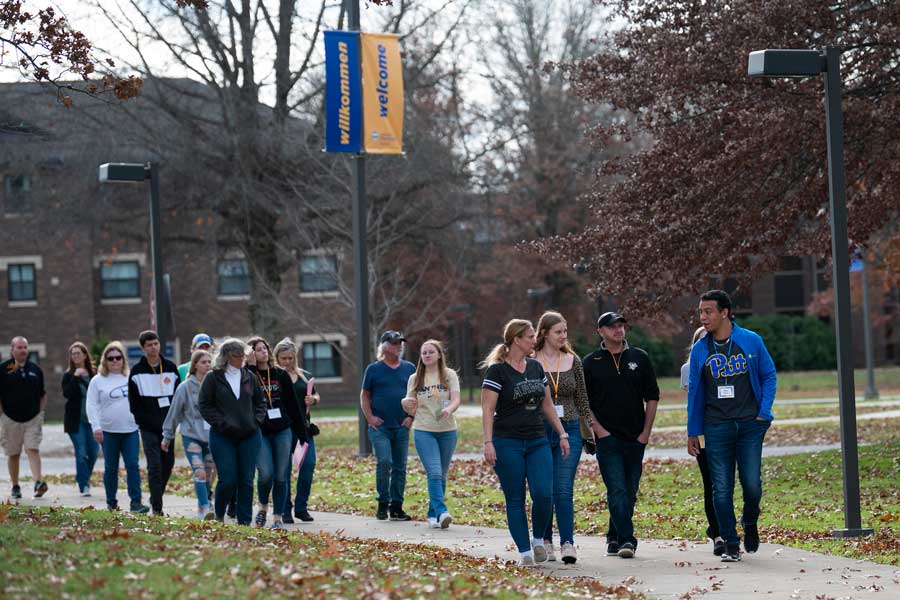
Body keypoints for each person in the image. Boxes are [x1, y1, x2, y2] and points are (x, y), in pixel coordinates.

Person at [687, 289, 777, 562]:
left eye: (708, 311)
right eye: (701, 312)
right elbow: (694, 392)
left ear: (724, 312)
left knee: (752, 486)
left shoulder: (750, 341)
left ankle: (750, 522)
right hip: (716, 426)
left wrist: (763, 413)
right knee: (721, 488)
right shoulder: (701, 349)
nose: (703, 317)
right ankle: (730, 541)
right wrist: (693, 431)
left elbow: (769, 374)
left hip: (750, 425)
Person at [481, 319, 571, 567]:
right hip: (506, 441)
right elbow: (487, 410)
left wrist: (562, 434)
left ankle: (538, 539)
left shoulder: (535, 368)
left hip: (536, 440)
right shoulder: (496, 372)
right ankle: (524, 552)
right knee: (515, 498)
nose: (534, 340)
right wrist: (488, 442)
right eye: (530, 337)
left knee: (544, 494)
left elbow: (547, 405)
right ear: (516, 340)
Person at [583, 312, 660, 559]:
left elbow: (652, 397)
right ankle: (627, 539)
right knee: (616, 489)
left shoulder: (639, 357)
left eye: (621, 326)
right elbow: (584, 402)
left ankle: (613, 535)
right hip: (607, 439)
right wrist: (599, 431)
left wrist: (645, 433)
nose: (618, 330)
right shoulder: (590, 362)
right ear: (601, 332)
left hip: (635, 438)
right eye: (612, 326)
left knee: (629, 490)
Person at [534, 311, 594, 564]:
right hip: (539, 430)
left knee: (563, 489)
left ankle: (568, 542)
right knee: (544, 490)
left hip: (569, 429)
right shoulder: (531, 361)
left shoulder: (572, 360)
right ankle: (545, 540)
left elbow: (582, 398)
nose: (563, 336)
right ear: (545, 333)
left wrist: (589, 428)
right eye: (558, 331)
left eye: (565, 331)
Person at [199, 338, 266, 525]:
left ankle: (244, 522)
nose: (242, 358)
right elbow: (204, 405)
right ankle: (219, 514)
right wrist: (221, 424)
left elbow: (261, 403)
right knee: (227, 479)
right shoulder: (213, 377)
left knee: (246, 480)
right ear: (227, 356)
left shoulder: (249, 377)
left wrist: (256, 421)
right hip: (223, 436)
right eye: (238, 355)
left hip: (249, 435)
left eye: (243, 354)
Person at [246, 336, 307, 529]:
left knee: (281, 476)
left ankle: (278, 518)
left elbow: (293, 405)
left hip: (282, 430)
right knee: (265, 474)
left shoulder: (280, 375)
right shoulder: (248, 376)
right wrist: (250, 367)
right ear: (251, 354)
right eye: (258, 349)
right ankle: (263, 507)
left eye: (265, 348)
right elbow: (245, 395)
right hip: (260, 432)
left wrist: (301, 432)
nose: (263, 352)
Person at [401, 339, 461, 529]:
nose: (426, 355)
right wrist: (405, 402)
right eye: (423, 352)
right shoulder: (415, 377)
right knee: (434, 472)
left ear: (439, 355)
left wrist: (449, 409)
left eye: (430, 352)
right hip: (424, 431)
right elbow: (409, 401)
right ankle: (442, 511)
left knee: (441, 475)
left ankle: (432, 513)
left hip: (448, 431)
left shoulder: (449, 375)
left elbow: (456, 399)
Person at [360, 330, 417, 521]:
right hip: (380, 427)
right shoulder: (373, 369)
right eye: (394, 343)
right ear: (384, 347)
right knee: (384, 461)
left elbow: (416, 395)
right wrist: (370, 418)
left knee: (400, 466)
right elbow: (365, 396)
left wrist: (411, 417)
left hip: (402, 425)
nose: (399, 346)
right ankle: (383, 503)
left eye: (400, 343)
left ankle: (396, 507)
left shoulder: (409, 368)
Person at [86, 342, 149, 513]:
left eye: (118, 357)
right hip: (108, 432)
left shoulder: (131, 377)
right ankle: (111, 502)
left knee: (132, 466)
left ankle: (136, 502)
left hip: (130, 431)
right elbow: (91, 404)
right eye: (110, 358)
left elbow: (142, 401)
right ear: (105, 361)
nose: (115, 361)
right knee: (111, 468)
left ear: (123, 359)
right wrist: (96, 427)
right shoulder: (97, 381)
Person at [128, 330, 181, 515]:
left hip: (168, 427)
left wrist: (174, 421)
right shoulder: (136, 372)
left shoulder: (171, 368)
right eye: (149, 345)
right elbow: (134, 403)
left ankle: (155, 495)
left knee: (168, 464)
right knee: (155, 466)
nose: (153, 347)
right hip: (148, 428)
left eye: (156, 343)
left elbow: (177, 398)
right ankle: (157, 508)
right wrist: (144, 421)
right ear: (143, 348)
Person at [681, 326, 723, 556]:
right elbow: (692, 402)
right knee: (711, 483)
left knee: (725, 483)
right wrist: (693, 433)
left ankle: (724, 527)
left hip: (726, 429)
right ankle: (717, 534)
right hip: (704, 431)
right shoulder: (688, 369)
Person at [162, 349, 216, 520]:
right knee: (199, 472)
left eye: (209, 362)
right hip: (191, 436)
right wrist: (167, 436)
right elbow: (174, 412)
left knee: (207, 474)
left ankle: (202, 506)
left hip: (211, 437)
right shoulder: (184, 387)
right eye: (203, 362)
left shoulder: (214, 385)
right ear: (195, 365)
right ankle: (206, 505)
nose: (207, 365)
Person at [273, 337, 320, 524]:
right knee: (283, 471)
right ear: (276, 358)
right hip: (282, 430)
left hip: (304, 430)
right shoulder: (273, 377)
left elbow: (315, 393)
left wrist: (313, 400)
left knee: (308, 466)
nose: (287, 362)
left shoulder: (304, 376)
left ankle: (301, 507)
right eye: (283, 358)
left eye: (290, 358)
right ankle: (285, 509)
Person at [0, 336, 48, 499]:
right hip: (10, 419)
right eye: (19, 347)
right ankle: (15, 486)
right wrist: (2, 415)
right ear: (12, 350)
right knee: (13, 453)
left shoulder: (35, 369)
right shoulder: (3, 369)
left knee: (33, 448)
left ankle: (38, 483)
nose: (23, 350)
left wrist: (40, 414)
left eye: (25, 347)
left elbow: (43, 394)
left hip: (33, 419)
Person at [62, 341, 99, 497]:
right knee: (81, 452)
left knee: (94, 452)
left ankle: (83, 477)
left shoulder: (94, 374)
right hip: (76, 422)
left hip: (93, 421)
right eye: (73, 353)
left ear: (85, 355)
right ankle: (84, 484)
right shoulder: (68, 375)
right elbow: (67, 394)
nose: (76, 356)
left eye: (78, 353)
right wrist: (75, 378)